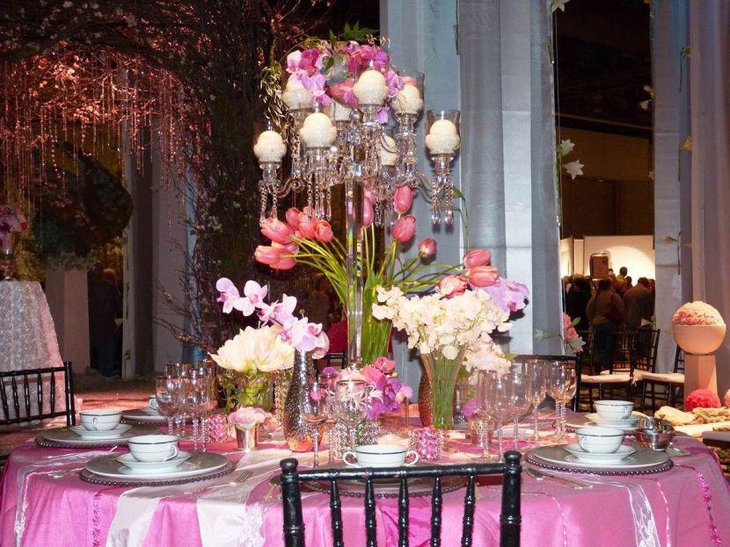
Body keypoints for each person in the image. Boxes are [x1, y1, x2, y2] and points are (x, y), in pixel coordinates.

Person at [88, 266, 123, 377]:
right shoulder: (111, 288)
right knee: (107, 352)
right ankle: (106, 375)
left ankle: (98, 374)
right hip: (107, 324)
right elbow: (120, 307)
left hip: (92, 325)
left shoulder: (90, 287)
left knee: (96, 352)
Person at [586, 278, 624, 371]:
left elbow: (588, 310)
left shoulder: (595, 296)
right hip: (610, 324)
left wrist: (592, 321)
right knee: (609, 346)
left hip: (597, 324)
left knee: (597, 345)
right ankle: (607, 366)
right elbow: (621, 309)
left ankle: (597, 362)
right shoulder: (614, 296)